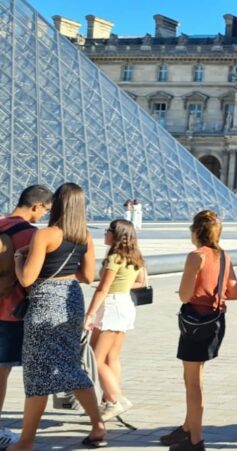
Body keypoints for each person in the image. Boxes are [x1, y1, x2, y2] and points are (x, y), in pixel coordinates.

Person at [9, 183, 105, 450]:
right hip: (72, 301)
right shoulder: (84, 236)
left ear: (58, 204)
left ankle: (26, 441)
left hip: (45, 304)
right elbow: (87, 276)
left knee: (37, 372)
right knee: (69, 364)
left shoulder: (45, 235)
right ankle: (98, 425)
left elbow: (27, 278)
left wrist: (19, 258)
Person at [161, 210, 237, 451]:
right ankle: (187, 426)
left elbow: (185, 295)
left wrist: (195, 292)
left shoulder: (196, 256)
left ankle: (195, 440)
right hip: (215, 323)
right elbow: (234, 293)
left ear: (197, 231)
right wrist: (213, 291)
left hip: (196, 323)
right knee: (194, 378)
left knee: (193, 383)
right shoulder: (225, 256)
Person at [0, 185, 52, 447]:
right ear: (36, 206)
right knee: (2, 371)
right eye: (45, 210)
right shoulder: (32, 235)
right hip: (10, 311)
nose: (44, 216)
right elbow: (33, 279)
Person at [83, 219, 147, 421]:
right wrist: (121, 287)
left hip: (111, 307)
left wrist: (89, 314)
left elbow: (103, 288)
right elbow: (141, 282)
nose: (104, 234)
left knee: (95, 358)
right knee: (112, 357)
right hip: (125, 304)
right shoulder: (134, 256)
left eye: (107, 231)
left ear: (116, 234)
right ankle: (111, 400)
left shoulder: (114, 258)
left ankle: (115, 400)